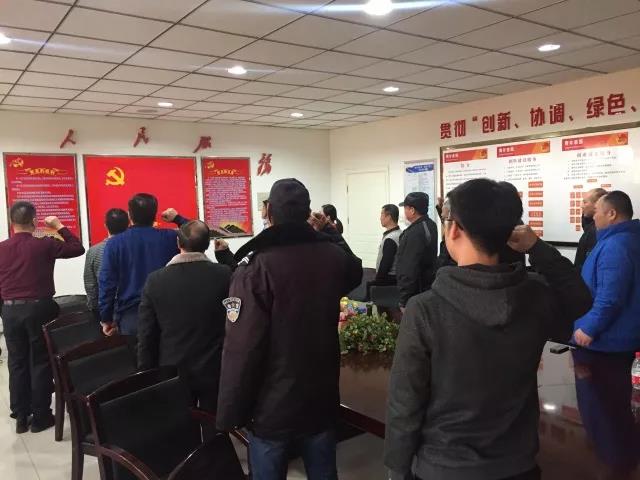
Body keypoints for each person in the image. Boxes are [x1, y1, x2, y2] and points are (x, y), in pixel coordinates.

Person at [384, 179, 592, 480]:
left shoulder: (426, 308)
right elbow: (580, 300)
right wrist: (537, 247)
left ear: (454, 230)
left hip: (443, 467)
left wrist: (397, 468)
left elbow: (405, 402)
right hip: (517, 466)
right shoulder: (535, 296)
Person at [216, 178, 362, 480]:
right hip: (321, 396)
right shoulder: (331, 256)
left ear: (269, 212)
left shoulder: (256, 267)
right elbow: (355, 271)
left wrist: (230, 411)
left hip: (272, 406)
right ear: (309, 213)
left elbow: (242, 347)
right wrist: (330, 232)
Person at [0, 201, 85, 433]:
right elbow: (77, 248)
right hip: (40, 309)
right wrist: (59, 226)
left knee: (17, 362)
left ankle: (21, 415)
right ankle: (40, 417)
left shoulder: (1, 248)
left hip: (10, 310)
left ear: (12, 222)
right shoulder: (45, 244)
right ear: (34, 221)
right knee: (40, 361)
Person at [138, 220, 231, 416]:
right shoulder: (224, 275)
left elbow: (147, 333)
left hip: (173, 369)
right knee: (213, 423)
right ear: (207, 244)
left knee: (179, 425)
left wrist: (145, 374)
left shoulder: (156, 280)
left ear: (178, 243)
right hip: (215, 367)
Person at [99, 194, 186, 337]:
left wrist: (106, 318)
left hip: (132, 317)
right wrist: (177, 218)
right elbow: (199, 234)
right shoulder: (170, 237)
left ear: (129, 215)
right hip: (168, 313)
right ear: (155, 214)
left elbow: (107, 283)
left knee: (136, 351)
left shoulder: (114, 243)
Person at [573, 191, 640, 352]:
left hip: (608, 341)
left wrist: (589, 327)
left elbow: (610, 295)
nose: (593, 217)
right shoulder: (627, 238)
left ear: (611, 214)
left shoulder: (615, 246)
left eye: (596, 211)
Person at [83, 208, 128, 322]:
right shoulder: (135, 248)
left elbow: (90, 284)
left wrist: (94, 308)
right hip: (132, 305)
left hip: (105, 306)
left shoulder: (94, 251)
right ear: (128, 225)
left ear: (105, 225)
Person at [396, 192, 438, 310]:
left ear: (412, 210)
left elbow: (409, 267)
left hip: (415, 292)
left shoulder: (415, 232)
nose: (404, 211)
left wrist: (404, 299)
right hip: (427, 287)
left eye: (405, 208)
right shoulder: (431, 225)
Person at [575, 188, 608, 271]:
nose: (581, 206)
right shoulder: (589, 227)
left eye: (585, 202)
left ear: (597, 205)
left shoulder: (596, 230)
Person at [374, 204, 401, 285]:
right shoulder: (399, 233)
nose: (380, 218)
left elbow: (385, 266)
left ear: (389, 217)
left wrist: (376, 282)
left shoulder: (390, 238)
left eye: (382, 214)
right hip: (396, 278)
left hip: (389, 279)